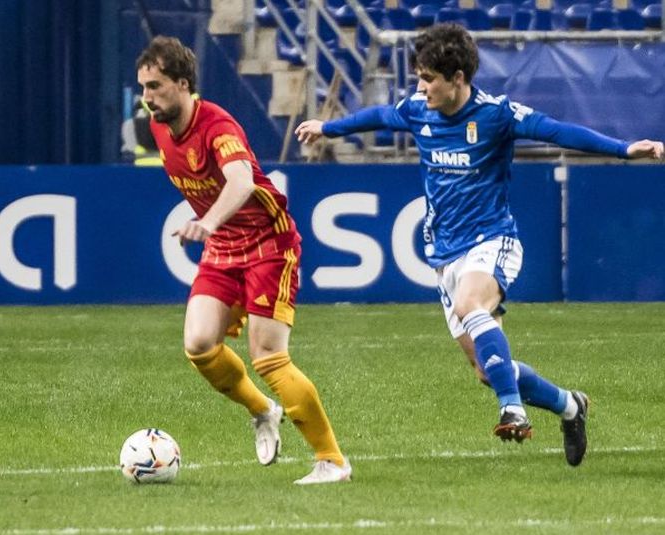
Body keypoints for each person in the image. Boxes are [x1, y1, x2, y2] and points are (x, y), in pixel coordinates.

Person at [296, 23, 664, 466]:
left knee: (474, 305)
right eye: (419, 77)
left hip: (493, 240)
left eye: (429, 78)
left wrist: (624, 150)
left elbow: (558, 131)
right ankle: (571, 406)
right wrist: (328, 128)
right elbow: (375, 116)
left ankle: (513, 408)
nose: (421, 87)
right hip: (444, 255)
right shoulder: (418, 109)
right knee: (487, 371)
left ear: (458, 79)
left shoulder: (496, 114)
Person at [137, 36, 352, 484]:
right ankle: (262, 410)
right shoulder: (158, 125)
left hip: (268, 244)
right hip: (223, 250)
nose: (147, 98)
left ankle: (332, 461)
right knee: (198, 345)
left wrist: (209, 221)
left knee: (269, 356)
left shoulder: (218, 125)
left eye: (155, 87)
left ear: (183, 83)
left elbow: (241, 182)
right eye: (142, 88)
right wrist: (214, 229)